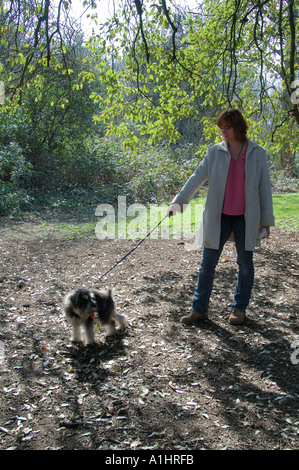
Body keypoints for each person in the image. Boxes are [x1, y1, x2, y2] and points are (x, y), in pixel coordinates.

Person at [167, 109, 275, 325]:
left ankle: (239, 310)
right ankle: (199, 310)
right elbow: (197, 177)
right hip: (219, 217)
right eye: (221, 128)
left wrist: (266, 220)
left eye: (227, 127)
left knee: (245, 264)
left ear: (238, 127)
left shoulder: (257, 153)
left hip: (246, 218)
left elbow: (265, 188)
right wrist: (178, 202)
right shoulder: (214, 152)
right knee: (207, 264)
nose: (223, 132)